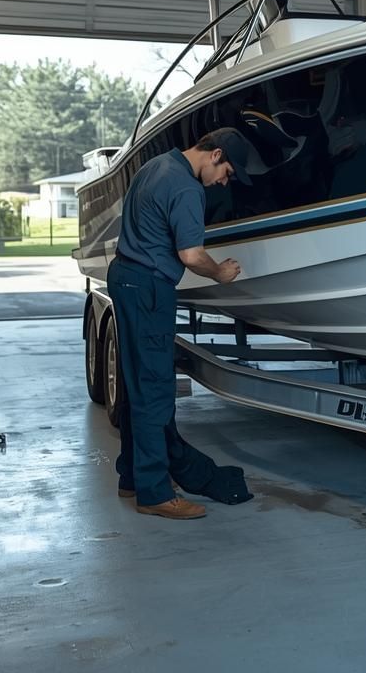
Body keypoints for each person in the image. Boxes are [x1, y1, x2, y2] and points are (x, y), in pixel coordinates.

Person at [109, 128, 257, 519]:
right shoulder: (189, 189)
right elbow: (191, 255)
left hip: (124, 277)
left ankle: (132, 477)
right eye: (226, 171)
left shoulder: (156, 166)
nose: (224, 181)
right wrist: (220, 274)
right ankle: (155, 493)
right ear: (215, 154)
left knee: (136, 382)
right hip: (149, 290)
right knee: (156, 389)